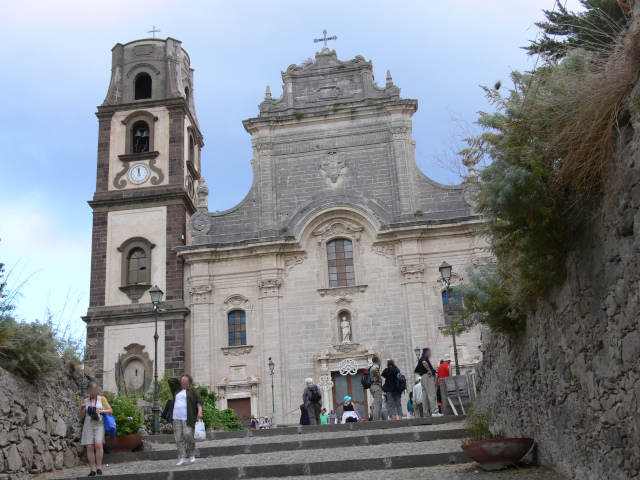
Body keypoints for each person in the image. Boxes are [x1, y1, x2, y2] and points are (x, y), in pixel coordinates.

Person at [168, 373, 204, 466]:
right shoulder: (177, 390)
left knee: (188, 434)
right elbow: (170, 381)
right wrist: (181, 379)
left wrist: (199, 412)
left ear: (189, 383)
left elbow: (199, 402)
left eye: (185, 383)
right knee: (178, 438)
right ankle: (182, 457)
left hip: (188, 417)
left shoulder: (193, 391)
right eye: (182, 382)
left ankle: (191, 453)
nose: (183, 384)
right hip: (176, 417)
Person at [78, 382, 113, 477]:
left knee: (98, 444)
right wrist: (82, 409)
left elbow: (110, 411)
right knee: (89, 446)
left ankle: (99, 467)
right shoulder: (86, 401)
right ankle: (92, 469)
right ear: (88, 391)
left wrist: (102, 411)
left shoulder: (102, 399)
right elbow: (80, 417)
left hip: (99, 423)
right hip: (88, 424)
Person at [415, 348, 441, 417]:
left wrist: (422, 372)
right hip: (428, 377)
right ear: (426, 352)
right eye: (429, 352)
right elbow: (424, 363)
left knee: (425, 397)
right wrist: (429, 370)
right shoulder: (424, 358)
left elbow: (416, 371)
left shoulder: (420, 359)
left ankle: (426, 413)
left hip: (423, 378)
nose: (430, 354)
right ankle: (435, 412)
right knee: (431, 394)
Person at [369, 355, 384, 421]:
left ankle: (376, 420)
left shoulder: (372, 366)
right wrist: (379, 376)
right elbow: (374, 369)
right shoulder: (375, 365)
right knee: (378, 404)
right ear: (377, 360)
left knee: (377, 403)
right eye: (379, 360)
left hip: (372, 386)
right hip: (376, 386)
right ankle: (376, 421)